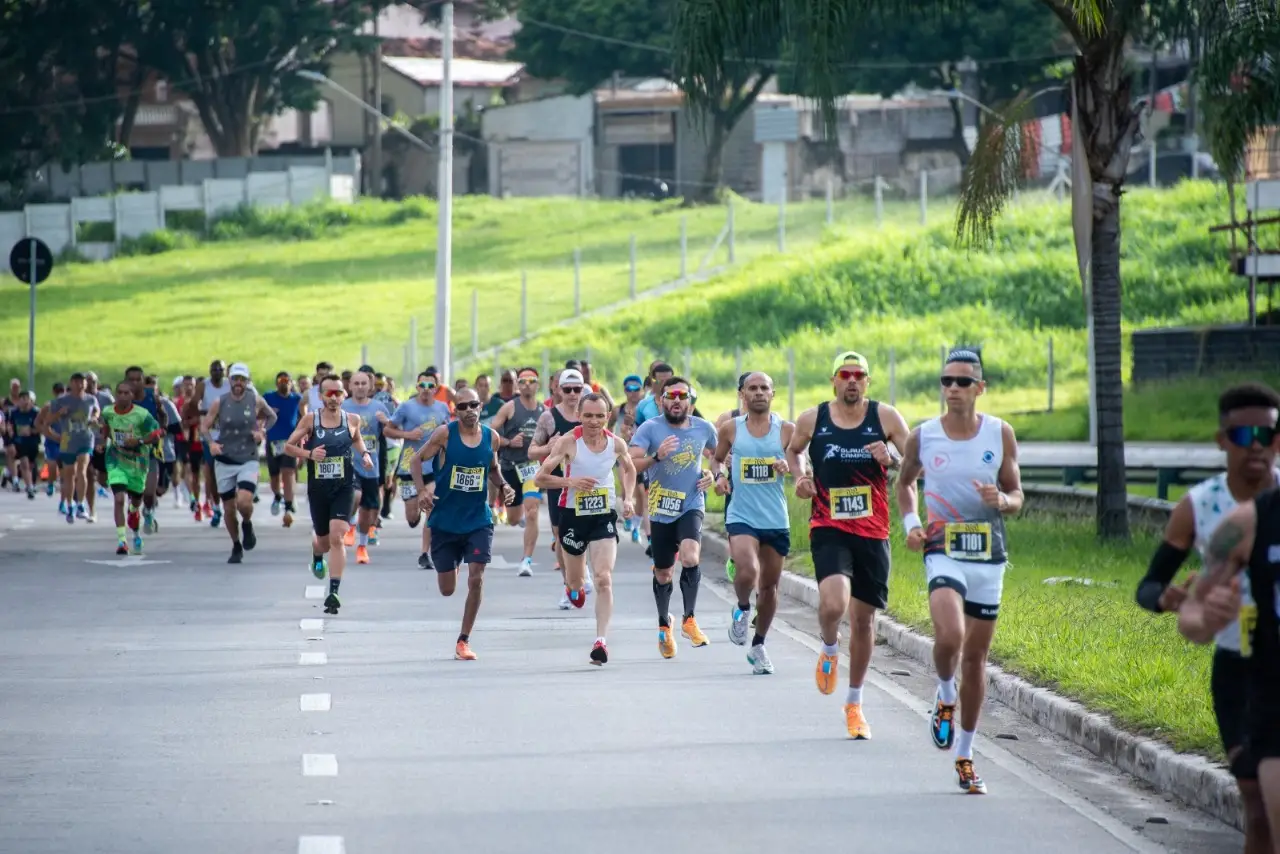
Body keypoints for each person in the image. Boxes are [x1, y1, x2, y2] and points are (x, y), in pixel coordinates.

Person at [1139, 383, 1279, 852]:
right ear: (1223, 441)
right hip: (1240, 669)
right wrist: (1178, 603)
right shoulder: (1202, 509)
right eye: (1243, 435)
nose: (1256, 445)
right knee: (1257, 807)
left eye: (1267, 433)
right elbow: (1152, 586)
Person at [895, 349, 1024, 795]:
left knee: (977, 659)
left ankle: (966, 756)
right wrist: (912, 525)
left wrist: (1003, 503)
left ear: (979, 388)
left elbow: (1017, 492)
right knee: (949, 637)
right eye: (946, 380)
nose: (953, 388)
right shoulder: (923, 436)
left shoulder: (999, 433)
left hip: (988, 555)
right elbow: (906, 483)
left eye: (963, 382)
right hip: (942, 548)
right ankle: (945, 692)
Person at [786, 352, 910, 739]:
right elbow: (793, 451)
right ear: (834, 380)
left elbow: (916, 465)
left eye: (860, 375)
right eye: (845, 374)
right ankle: (827, 647)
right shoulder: (813, 419)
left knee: (864, 620)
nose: (852, 381)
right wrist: (800, 477)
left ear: (867, 382)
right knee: (834, 604)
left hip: (873, 532)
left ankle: (854, 705)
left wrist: (891, 458)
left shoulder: (886, 418)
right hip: (829, 525)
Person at [1178, 482, 1280, 844]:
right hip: (1270, 691)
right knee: (1264, 817)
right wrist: (1207, 620)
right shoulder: (1250, 521)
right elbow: (1191, 610)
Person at [410, 387, 515, 661]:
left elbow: (492, 468)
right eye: (463, 406)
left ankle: (463, 640)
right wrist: (422, 491)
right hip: (445, 520)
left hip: (478, 519)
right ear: (456, 410)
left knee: (477, 577)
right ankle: (453, 562)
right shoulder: (445, 434)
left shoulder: (491, 437)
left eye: (474, 405)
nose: (469, 410)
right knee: (447, 589)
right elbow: (415, 460)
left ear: (481, 406)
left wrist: (504, 486)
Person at [534, 392, 637, 664]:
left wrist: (628, 498)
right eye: (588, 415)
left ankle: (601, 641)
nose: (594, 421)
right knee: (576, 581)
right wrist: (570, 482)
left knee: (604, 577)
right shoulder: (569, 442)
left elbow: (630, 469)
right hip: (572, 516)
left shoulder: (616, 444)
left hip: (603, 514)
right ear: (579, 415)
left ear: (607, 417)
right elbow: (540, 478)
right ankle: (573, 588)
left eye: (600, 416)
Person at [629, 375, 722, 658]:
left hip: (691, 502)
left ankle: (689, 620)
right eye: (671, 396)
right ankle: (664, 624)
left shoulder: (704, 428)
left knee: (691, 556)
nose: (677, 401)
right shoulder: (649, 428)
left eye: (683, 396)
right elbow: (631, 462)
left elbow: (718, 456)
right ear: (661, 401)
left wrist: (713, 474)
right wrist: (656, 456)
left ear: (690, 401)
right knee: (664, 572)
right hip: (660, 507)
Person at [714, 371, 793, 674]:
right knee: (748, 570)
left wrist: (788, 465)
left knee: (771, 588)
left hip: (775, 517)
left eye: (764, 388)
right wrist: (720, 476)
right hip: (742, 514)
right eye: (753, 388)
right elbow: (718, 459)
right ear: (742, 395)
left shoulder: (786, 430)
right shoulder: (730, 429)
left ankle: (758, 645)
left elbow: (801, 462)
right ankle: (743, 608)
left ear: (773, 394)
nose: (759, 393)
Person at [283, 374, 373, 613]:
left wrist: (364, 455)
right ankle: (316, 553)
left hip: (343, 486)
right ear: (321, 396)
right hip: (319, 489)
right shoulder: (311, 420)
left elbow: (358, 440)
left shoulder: (352, 419)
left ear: (344, 395)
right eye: (329, 393)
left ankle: (334, 591)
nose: (334, 398)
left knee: (338, 536)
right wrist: (310, 455)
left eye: (338, 393)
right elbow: (288, 446)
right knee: (323, 542)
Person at [201, 363, 278, 564]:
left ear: (247, 381)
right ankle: (236, 544)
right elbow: (205, 425)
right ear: (230, 380)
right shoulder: (220, 402)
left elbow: (272, 417)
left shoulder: (255, 400)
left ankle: (247, 523)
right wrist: (211, 443)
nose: (238, 383)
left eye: (242, 380)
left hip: (247, 457)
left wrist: (262, 432)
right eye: (235, 379)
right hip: (225, 458)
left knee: (244, 501)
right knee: (228, 508)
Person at [383, 371, 453, 570]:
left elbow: (450, 432)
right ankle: (416, 519)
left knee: (431, 507)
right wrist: (407, 434)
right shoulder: (406, 407)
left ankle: (425, 553)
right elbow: (388, 430)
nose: (426, 390)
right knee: (412, 517)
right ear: (417, 387)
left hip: (433, 466)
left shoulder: (442, 409)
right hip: (409, 466)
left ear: (436, 388)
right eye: (422, 385)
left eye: (431, 386)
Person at [529, 368, 586, 608]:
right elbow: (531, 451)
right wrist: (548, 448)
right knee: (562, 538)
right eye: (567, 389)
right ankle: (569, 585)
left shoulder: (591, 414)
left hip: (586, 484)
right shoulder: (549, 418)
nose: (572, 394)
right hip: (559, 485)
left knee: (586, 535)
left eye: (577, 389)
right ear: (558, 390)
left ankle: (584, 575)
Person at [488, 367, 546, 576]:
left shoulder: (543, 411)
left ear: (538, 385)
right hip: (510, 467)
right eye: (522, 381)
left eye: (531, 381)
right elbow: (491, 435)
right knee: (513, 519)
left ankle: (526, 560)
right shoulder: (509, 408)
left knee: (532, 513)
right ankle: (509, 510)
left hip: (532, 468)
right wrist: (509, 442)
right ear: (517, 385)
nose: (527, 384)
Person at [99, 381, 163, 555]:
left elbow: (157, 434)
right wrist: (101, 443)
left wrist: (139, 441)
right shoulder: (108, 412)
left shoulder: (142, 415)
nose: (123, 396)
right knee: (119, 499)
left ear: (132, 396)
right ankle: (122, 541)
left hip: (137, 463)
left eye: (127, 393)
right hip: (115, 460)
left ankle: (135, 529)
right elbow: (104, 428)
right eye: (119, 392)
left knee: (135, 505)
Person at [342, 370, 392, 564]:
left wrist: (386, 422)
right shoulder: (343, 407)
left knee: (370, 511)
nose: (360, 387)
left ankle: (361, 546)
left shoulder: (378, 407)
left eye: (364, 383)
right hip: (349, 463)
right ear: (350, 386)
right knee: (355, 495)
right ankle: (350, 523)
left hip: (371, 465)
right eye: (357, 383)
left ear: (370, 386)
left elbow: (391, 433)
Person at [41, 372, 101, 524]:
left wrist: (94, 417)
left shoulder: (90, 399)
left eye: (82, 382)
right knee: (69, 475)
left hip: (85, 439)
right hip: (67, 440)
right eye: (76, 381)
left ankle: (81, 504)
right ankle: (70, 505)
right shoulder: (61, 401)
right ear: (71, 383)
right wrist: (58, 419)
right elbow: (47, 422)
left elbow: (96, 410)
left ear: (85, 384)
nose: (80, 384)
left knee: (82, 468)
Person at [264, 371, 302, 527]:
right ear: (276, 383)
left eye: (287, 380)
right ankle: (277, 496)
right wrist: (269, 412)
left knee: (288, 472)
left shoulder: (297, 399)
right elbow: (258, 414)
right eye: (281, 380)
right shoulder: (269, 397)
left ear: (291, 383)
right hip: (273, 441)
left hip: (290, 441)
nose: (284, 383)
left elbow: (303, 417)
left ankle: (288, 506)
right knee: (275, 476)